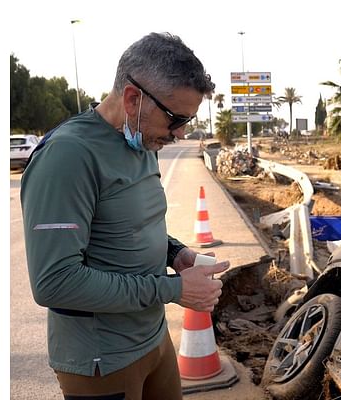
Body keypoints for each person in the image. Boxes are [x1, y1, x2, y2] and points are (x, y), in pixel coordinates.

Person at [21, 32, 229, 400]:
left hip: (153, 339)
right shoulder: (68, 155)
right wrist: (174, 289)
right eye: (175, 119)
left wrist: (175, 254)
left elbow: (132, 226)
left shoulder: (143, 140)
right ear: (133, 98)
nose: (180, 134)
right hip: (103, 360)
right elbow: (55, 282)